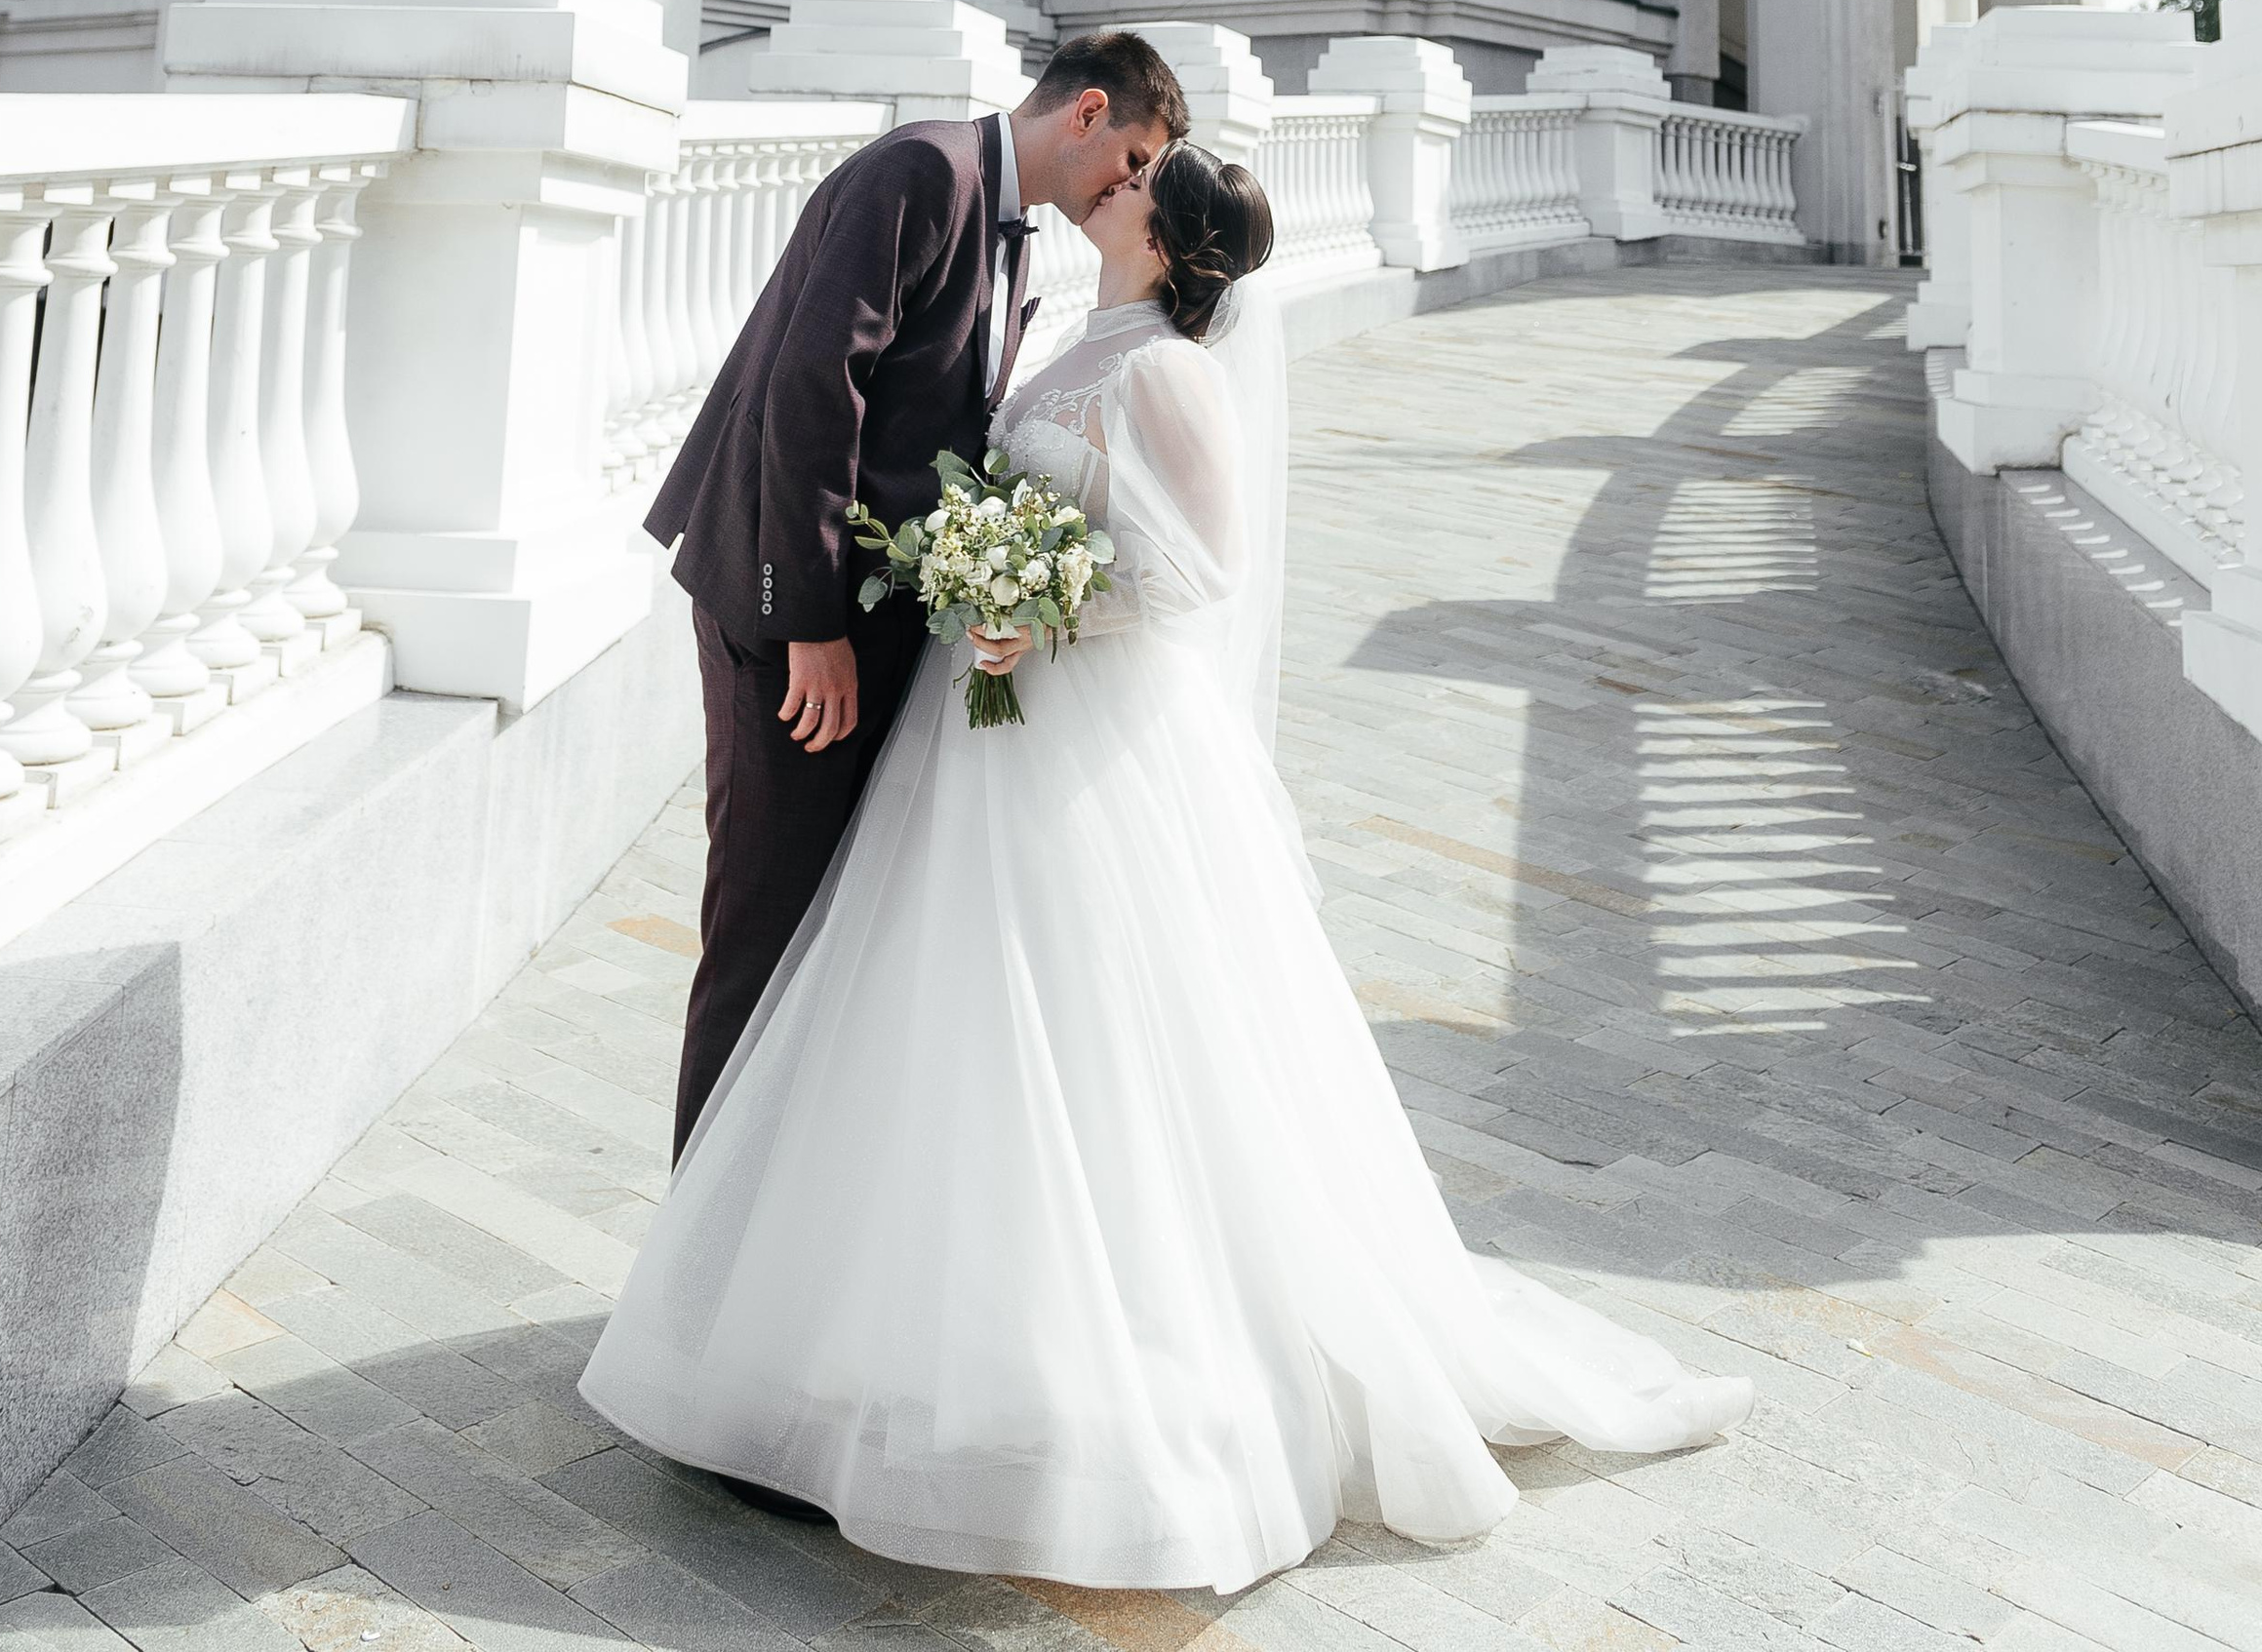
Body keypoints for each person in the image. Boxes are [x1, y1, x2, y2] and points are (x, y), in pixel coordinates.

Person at [586, 144, 1750, 1591]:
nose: (1113, 184)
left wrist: (1043, 604)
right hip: (979, 733)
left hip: (1085, 735)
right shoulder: (1079, 336)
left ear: (1169, 233)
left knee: (1097, 1029)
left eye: (1140, 181)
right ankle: (908, 1333)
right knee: (949, 1018)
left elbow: (1204, 569)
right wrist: (986, 577)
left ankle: (1089, 1366)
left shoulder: (1172, 373)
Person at [643, 26, 1188, 1150]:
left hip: (880, 625)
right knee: (764, 923)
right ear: (1087, 113)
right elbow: (811, 388)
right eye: (1133, 162)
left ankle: (770, 1217)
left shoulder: (1014, 234)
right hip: (790, 618)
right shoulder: (922, 172)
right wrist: (807, 625)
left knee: (832, 933)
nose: (1131, 190)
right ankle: (693, 1256)